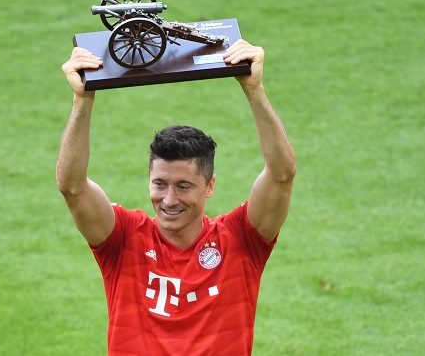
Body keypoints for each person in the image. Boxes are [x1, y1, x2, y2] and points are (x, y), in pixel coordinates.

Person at [56, 39, 296, 355]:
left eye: (183, 186)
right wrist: (83, 99)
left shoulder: (241, 240)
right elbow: (72, 187)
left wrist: (254, 90)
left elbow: (281, 175)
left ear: (209, 186)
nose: (169, 200)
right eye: (160, 184)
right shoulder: (123, 239)